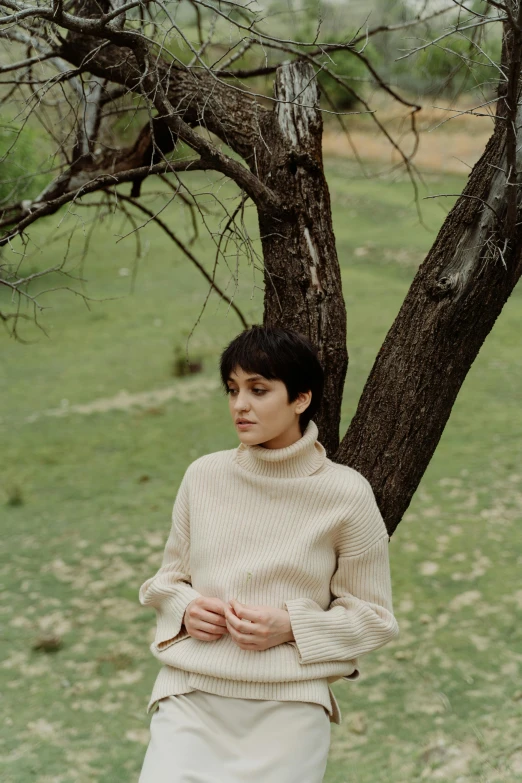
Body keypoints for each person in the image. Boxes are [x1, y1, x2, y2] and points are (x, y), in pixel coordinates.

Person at [138, 324, 399, 783]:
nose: (240, 405)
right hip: (190, 699)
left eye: (259, 390)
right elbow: (166, 581)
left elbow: (374, 618)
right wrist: (186, 609)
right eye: (233, 389)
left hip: (290, 709)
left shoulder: (346, 494)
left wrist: (292, 626)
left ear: (300, 398)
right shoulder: (203, 476)